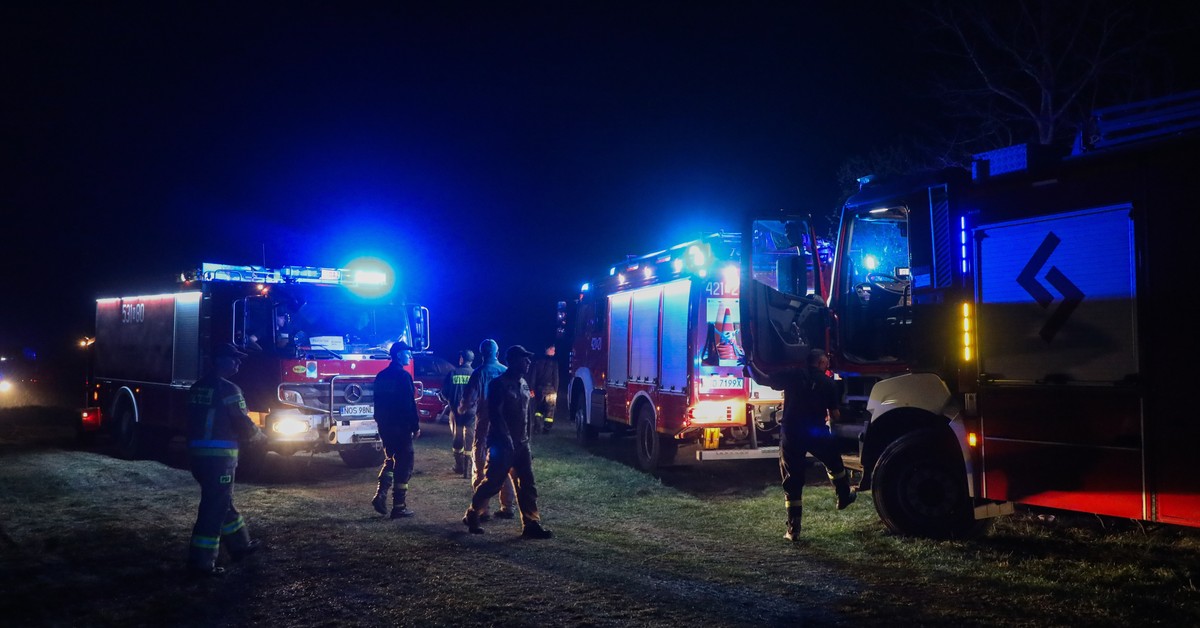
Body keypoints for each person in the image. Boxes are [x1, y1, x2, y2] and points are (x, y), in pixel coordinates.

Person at [744, 348, 855, 542]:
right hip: (816, 431)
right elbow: (835, 414)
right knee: (835, 463)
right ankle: (843, 495)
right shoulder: (827, 383)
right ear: (821, 363)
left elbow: (763, 379)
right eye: (826, 361)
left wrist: (748, 365)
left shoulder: (793, 375)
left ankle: (793, 530)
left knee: (792, 479)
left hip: (792, 432)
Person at [185, 342, 268, 577]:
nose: (238, 363)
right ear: (220, 360)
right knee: (214, 508)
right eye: (234, 359)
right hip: (219, 458)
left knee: (222, 502)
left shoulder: (198, 388)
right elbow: (241, 421)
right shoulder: (230, 389)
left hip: (198, 457)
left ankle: (241, 546)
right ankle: (202, 562)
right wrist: (261, 438)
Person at [462, 345, 553, 539]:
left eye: (528, 359)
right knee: (493, 483)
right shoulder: (498, 384)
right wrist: (507, 441)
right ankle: (473, 513)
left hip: (522, 444)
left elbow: (526, 416)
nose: (528, 362)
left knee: (528, 484)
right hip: (502, 445)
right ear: (513, 361)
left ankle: (531, 523)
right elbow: (496, 415)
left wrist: (527, 442)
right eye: (524, 359)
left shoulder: (524, 384)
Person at [458, 339, 517, 522]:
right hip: (504, 427)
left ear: (482, 354)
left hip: (484, 425)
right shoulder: (505, 372)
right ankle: (508, 506)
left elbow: (469, 400)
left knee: (480, 466)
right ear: (497, 353)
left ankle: (482, 509)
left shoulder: (479, 373)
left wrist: (461, 409)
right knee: (504, 466)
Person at [369, 341, 422, 519]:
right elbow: (408, 404)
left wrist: (380, 422)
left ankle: (381, 494)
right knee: (405, 462)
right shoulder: (403, 376)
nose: (409, 356)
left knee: (390, 459)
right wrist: (415, 426)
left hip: (385, 426)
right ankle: (399, 506)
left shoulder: (381, 375)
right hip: (400, 426)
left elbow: (376, 401)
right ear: (399, 355)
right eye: (407, 353)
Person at [442, 349, 475, 478]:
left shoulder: (452, 373)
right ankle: (468, 470)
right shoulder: (475, 374)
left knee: (458, 438)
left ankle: (459, 466)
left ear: (461, 359)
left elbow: (445, 393)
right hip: (472, 412)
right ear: (471, 360)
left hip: (456, 412)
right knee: (470, 438)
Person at [528, 344, 559, 433]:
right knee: (550, 410)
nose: (554, 351)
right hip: (550, 390)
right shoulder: (554, 363)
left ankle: (537, 427)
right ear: (547, 349)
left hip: (539, 389)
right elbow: (556, 378)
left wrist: (532, 389)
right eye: (552, 349)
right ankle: (547, 429)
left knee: (538, 409)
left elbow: (533, 376)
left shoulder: (538, 361)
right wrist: (555, 390)